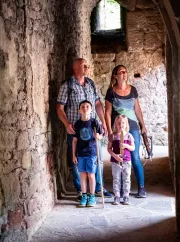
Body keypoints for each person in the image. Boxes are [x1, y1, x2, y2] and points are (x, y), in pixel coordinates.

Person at [56, 58, 112, 200]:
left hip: (92, 127)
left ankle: (98, 187)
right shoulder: (67, 85)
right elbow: (59, 107)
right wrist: (67, 123)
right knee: (76, 160)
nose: (87, 67)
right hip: (76, 130)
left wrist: (104, 122)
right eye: (83, 66)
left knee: (97, 157)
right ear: (75, 68)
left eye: (87, 65)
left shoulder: (91, 84)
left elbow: (98, 104)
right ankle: (81, 190)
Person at [105, 65, 148, 198]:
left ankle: (141, 187)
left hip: (132, 127)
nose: (124, 73)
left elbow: (137, 109)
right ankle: (122, 188)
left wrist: (143, 126)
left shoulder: (133, 90)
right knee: (119, 157)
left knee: (134, 157)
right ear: (115, 76)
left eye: (125, 71)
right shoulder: (111, 92)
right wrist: (109, 131)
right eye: (121, 72)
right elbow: (107, 113)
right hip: (117, 128)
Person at [72, 100, 103, 207]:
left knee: (91, 174)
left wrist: (97, 136)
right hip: (80, 153)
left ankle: (92, 195)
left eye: (87, 106)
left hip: (91, 153)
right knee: (83, 175)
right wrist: (73, 155)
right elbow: (75, 140)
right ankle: (84, 195)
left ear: (91, 110)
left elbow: (100, 135)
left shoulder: (94, 122)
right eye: (83, 107)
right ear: (79, 110)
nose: (85, 108)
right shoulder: (77, 124)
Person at [107, 115, 135, 205]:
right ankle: (117, 196)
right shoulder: (113, 136)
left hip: (126, 161)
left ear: (126, 124)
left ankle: (126, 196)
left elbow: (133, 148)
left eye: (123, 122)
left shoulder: (129, 136)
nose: (121, 124)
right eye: (119, 123)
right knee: (116, 179)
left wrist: (126, 146)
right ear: (115, 124)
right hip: (116, 161)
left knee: (126, 178)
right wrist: (115, 156)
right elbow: (109, 149)